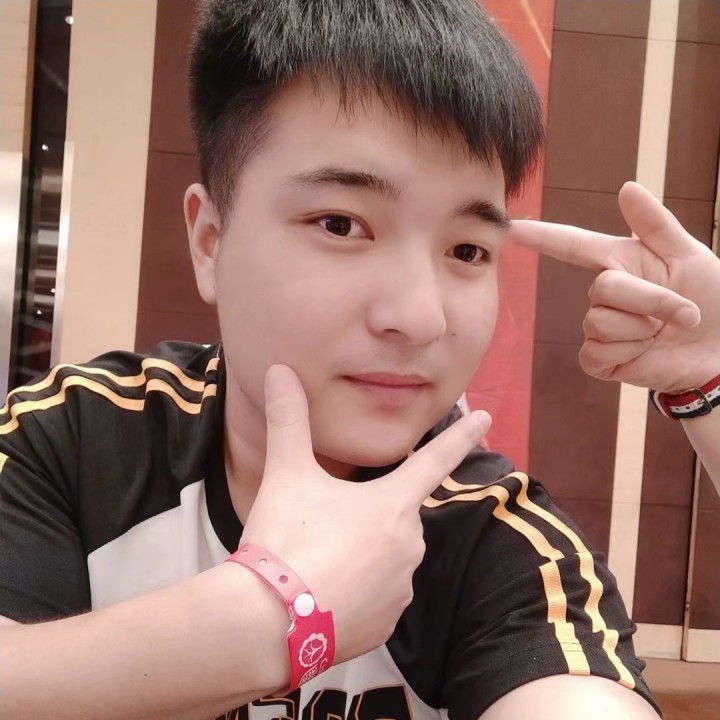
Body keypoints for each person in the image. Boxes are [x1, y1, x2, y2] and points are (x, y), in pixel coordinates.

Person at [1, 0, 718, 717]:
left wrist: (710, 380)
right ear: (211, 241)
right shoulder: (76, 440)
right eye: (341, 224)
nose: (420, 317)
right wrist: (269, 622)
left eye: (467, 249)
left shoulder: (497, 540)